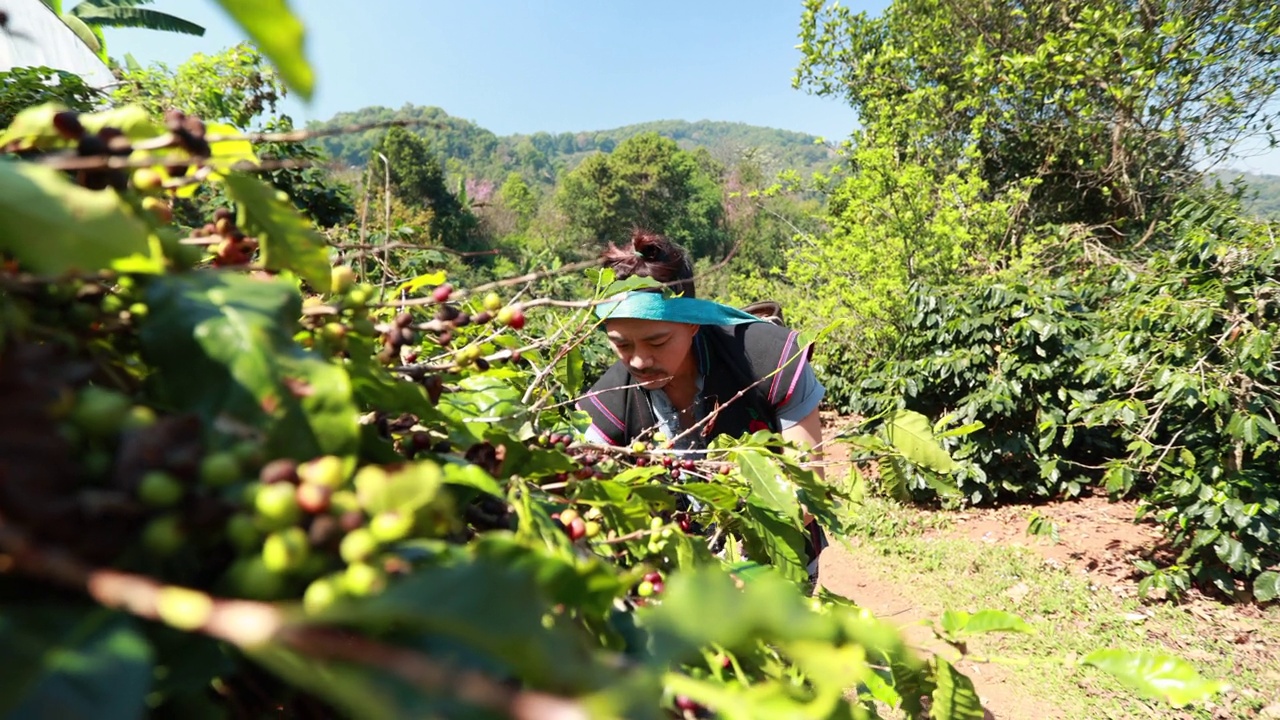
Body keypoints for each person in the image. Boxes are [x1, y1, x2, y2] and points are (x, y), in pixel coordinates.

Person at [577, 228, 829, 578]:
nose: (639, 361)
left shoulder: (770, 360)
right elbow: (586, 492)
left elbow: (805, 494)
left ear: (693, 324)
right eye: (623, 345)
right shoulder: (610, 398)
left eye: (658, 341)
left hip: (777, 562)